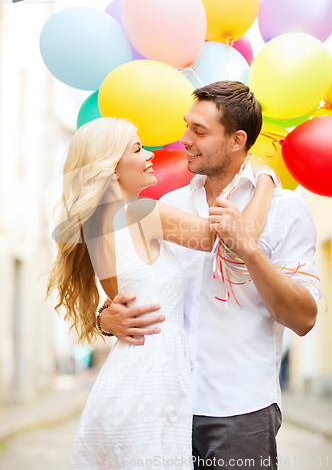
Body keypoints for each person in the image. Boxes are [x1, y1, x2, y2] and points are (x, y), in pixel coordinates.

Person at [99, 81, 321, 469]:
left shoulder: (287, 211)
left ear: (237, 140)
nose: (184, 138)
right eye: (187, 125)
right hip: (165, 406)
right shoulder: (169, 205)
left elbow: (304, 318)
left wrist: (251, 250)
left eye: (199, 131)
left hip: (241, 411)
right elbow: (132, 287)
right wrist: (105, 319)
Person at [46, 115, 277, 469]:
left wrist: (104, 320)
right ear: (111, 170)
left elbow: (120, 305)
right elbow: (233, 238)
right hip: (153, 382)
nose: (151, 154)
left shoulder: (94, 227)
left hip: (126, 378)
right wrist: (264, 180)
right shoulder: (141, 213)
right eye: (138, 149)